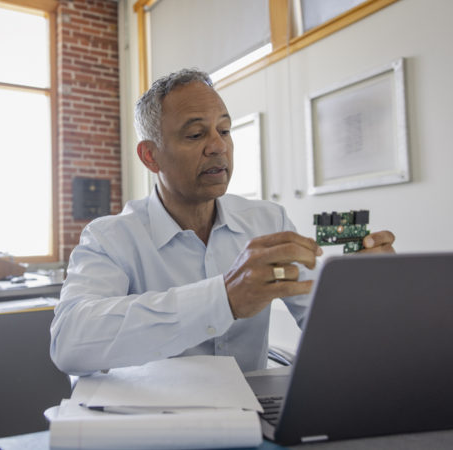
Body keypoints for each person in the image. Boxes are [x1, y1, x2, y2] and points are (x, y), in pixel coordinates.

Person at [50, 69, 395, 376]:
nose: (218, 146)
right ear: (151, 156)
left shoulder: (268, 221)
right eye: (196, 135)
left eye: (225, 130)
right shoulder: (109, 238)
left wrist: (361, 292)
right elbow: (70, 342)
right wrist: (223, 298)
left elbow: (329, 330)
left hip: (255, 418)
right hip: (156, 425)